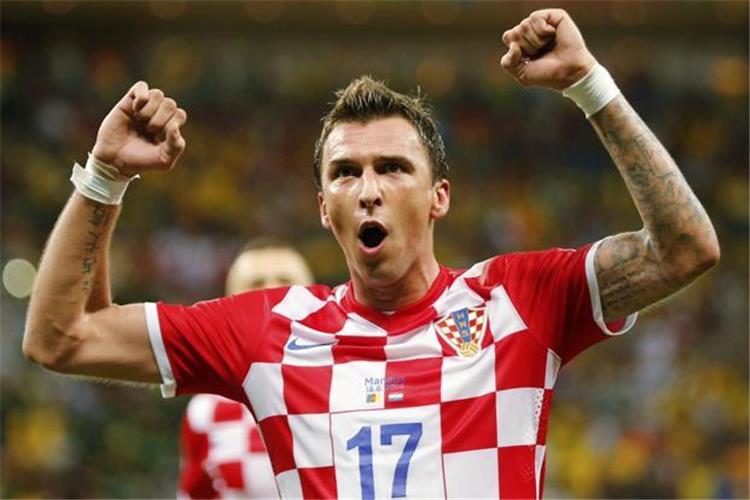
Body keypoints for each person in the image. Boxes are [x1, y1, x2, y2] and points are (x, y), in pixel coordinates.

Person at [24, 9, 719, 498]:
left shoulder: (517, 301)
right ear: (322, 208)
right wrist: (104, 176)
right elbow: (61, 336)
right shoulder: (269, 332)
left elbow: (685, 249)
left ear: (439, 197)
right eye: (345, 173)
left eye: (392, 167)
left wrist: (589, 85)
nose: (368, 190)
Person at [178, 240, 313, 499]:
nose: (271, 291)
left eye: (285, 280)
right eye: (256, 283)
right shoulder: (207, 410)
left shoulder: (348, 383)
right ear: (229, 303)